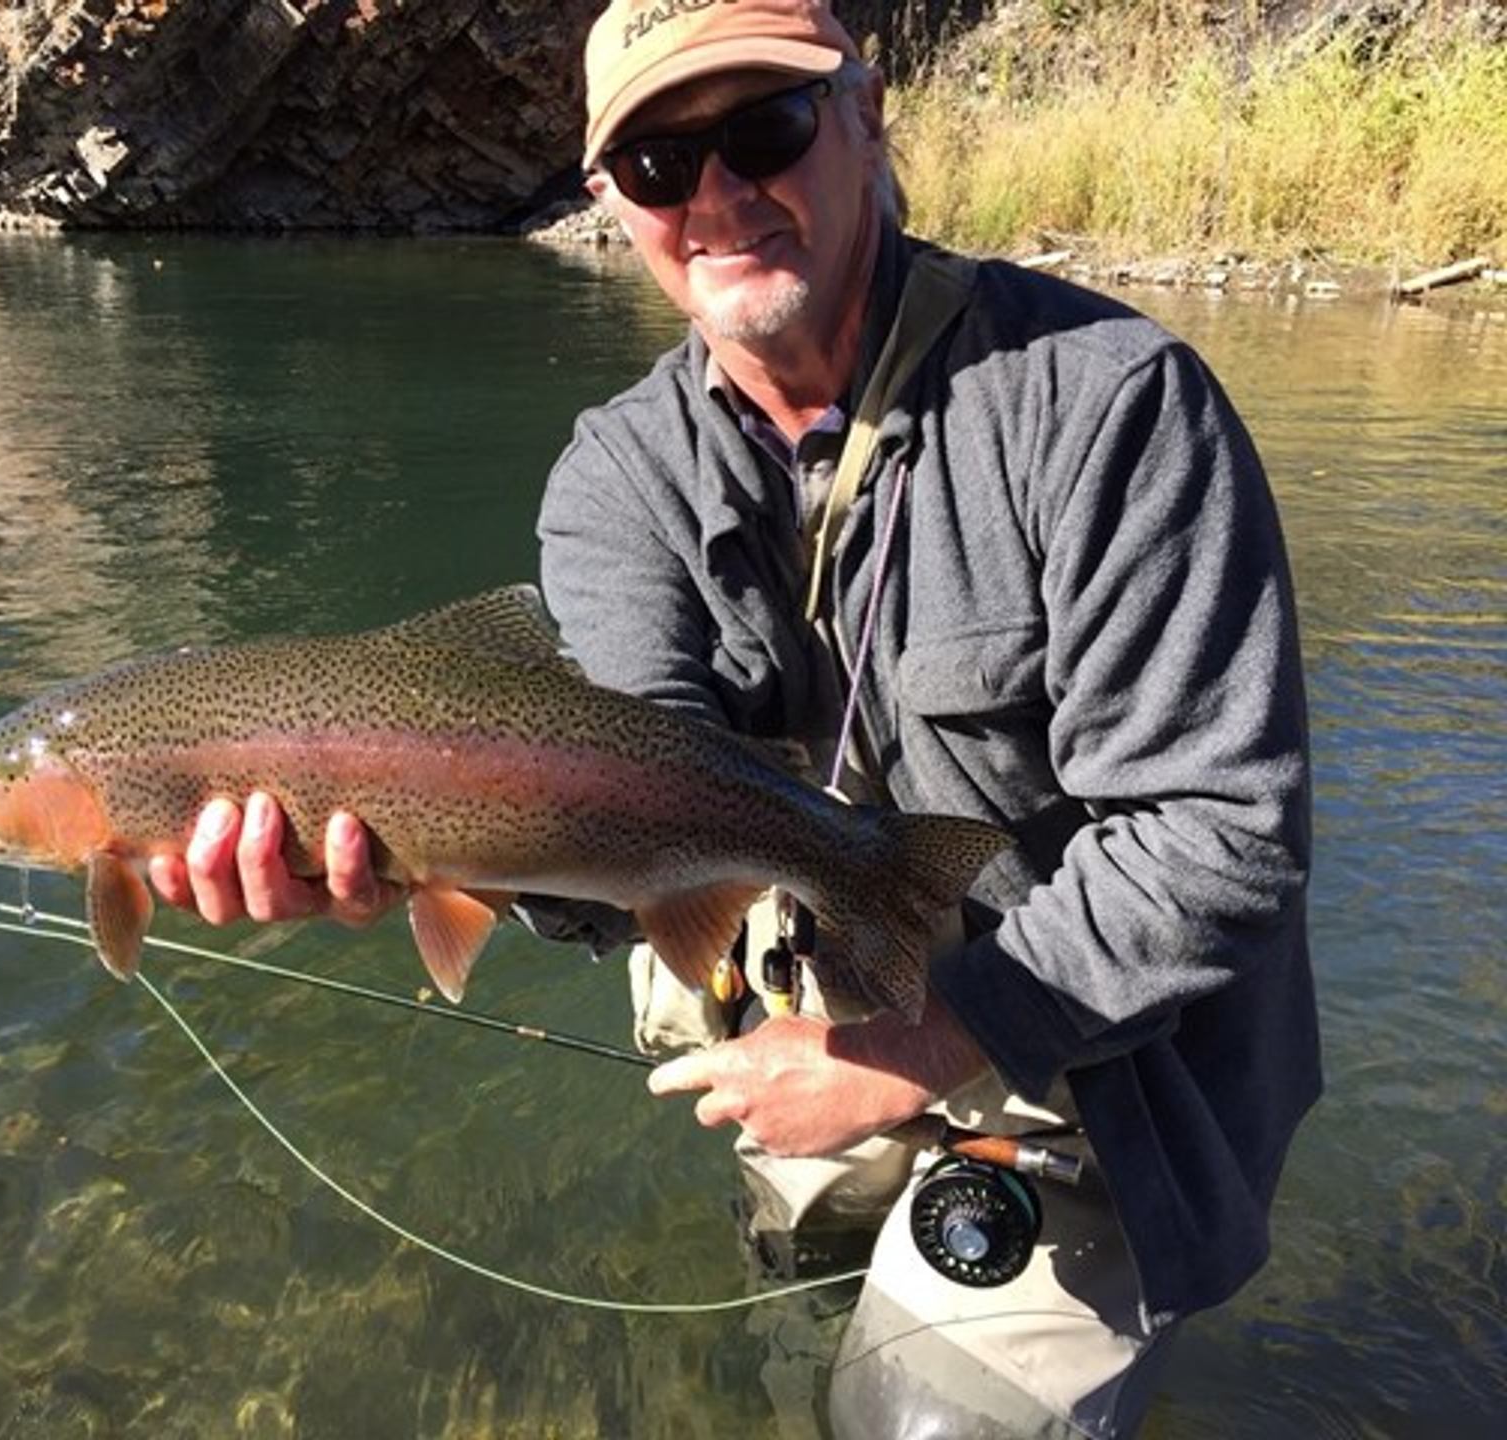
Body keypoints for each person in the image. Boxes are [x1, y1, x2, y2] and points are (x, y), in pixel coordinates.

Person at [152, 2, 1321, 1433]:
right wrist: (424, 848)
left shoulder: (1108, 409)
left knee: (920, 1421)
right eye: (655, 165)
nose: (712, 195)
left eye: (761, 129)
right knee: (801, 1340)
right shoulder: (616, 480)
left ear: (867, 115)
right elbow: (626, 797)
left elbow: (1221, 843)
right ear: (608, 203)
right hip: (796, 1004)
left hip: (1090, 1052)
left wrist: (920, 1045)